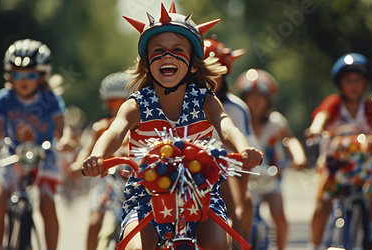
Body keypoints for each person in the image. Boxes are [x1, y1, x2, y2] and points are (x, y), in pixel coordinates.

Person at [81, 2, 263, 249]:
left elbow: (226, 126)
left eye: (178, 49)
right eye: (159, 50)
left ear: (194, 63)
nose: (168, 55)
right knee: (136, 247)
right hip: (147, 197)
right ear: (146, 63)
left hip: (201, 195)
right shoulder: (135, 105)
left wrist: (244, 149)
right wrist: (97, 156)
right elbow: (114, 131)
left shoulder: (206, 100)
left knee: (219, 243)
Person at [305, 53, 372, 249]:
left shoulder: (371, 108)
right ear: (340, 83)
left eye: (358, 81)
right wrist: (315, 128)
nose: (354, 85)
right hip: (334, 166)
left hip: (365, 167)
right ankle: (315, 245)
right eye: (349, 80)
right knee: (322, 203)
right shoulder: (334, 104)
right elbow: (321, 116)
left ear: (365, 83)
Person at [0, 39, 73, 250]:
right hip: (13, 154)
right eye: (17, 74)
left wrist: (65, 139)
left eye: (30, 74)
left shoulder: (51, 99)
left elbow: (62, 126)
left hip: (45, 155)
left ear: (42, 75)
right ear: (9, 75)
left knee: (47, 205)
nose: (23, 80)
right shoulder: (4, 98)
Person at [235, 68, 307, 250]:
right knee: (239, 213)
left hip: (271, 176)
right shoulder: (237, 122)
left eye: (261, 96)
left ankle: (282, 247)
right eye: (251, 96)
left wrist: (298, 157)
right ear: (243, 99)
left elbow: (289, 139)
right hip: (246, 177)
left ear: (269, 100)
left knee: (278, 214)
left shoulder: (276, 122)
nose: (256, 101)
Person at [203, 35, 260, 245]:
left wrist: (246, 152)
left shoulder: (236, 108)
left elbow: (242, 139)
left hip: (227, 168)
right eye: (205, 73)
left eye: (216, 73)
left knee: (240, 210)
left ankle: (237, 240)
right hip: (187, 166)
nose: (210, 79)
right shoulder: (185, 101)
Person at [70, 71, 132, 250]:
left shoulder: (138, 124)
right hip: (105, 179)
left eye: (120, 102)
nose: (115, 108)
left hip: (131, 178)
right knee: (95, 220)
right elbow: (87, 150)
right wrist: (78, 165)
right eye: (111, 103)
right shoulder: (99, 126)